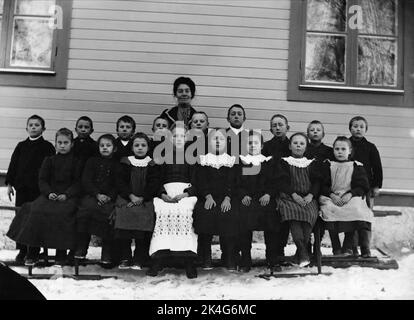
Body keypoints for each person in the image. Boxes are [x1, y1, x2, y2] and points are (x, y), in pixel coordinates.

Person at [7, 128, 81, 266]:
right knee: (35, 211)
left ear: (72, 144)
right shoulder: (49, 160)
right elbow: (42, 180)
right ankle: (33, 252)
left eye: (66, 142)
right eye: (60, 142)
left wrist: (67, 194)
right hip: (49, 196)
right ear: (55, 144)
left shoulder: (76, 162)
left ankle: (61, 253)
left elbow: (78, 183)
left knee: (63, 214)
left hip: (68, 198)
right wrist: (48, 193)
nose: (63, 145)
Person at [147, 125, 198, 279]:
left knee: (185, 211)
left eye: (182, 136)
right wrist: (162, 194)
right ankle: (159, 258)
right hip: (166, 193)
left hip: (185, 194)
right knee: (162, 210)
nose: (178, 139)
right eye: (175, 136)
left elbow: (198, 181)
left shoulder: (192, 157)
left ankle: (189, 261)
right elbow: (155, 179)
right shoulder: (163, 156)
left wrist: (186, 194)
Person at [5, 115, 55, 263]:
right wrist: (9, 184)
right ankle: (22, 250)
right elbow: (13, 165)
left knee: (34, 219)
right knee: (21, 218)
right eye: (31, 125)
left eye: (37, 125)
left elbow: (51, 168)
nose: (33, 127)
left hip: (38, 190)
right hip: (22, 189)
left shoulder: (47, 147)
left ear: (43, 129)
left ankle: (33, 250)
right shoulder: (21, 146)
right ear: (26, 128)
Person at [319, 136, 374, 257]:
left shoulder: (356, 166)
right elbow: (322, 184)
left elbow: (362, 186)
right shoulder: (328, 165)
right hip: (332, 196)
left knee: (356, 209)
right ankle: (336, 247)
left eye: (343, 149)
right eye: (337, 149)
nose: (340, 151)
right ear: (333, 150)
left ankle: (348, 246)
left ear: (350, 151)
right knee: (328, 209)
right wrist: (331, 194)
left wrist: (351, 194)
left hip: (350, 196)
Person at [114, 133, 160, 269]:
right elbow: (120, 182)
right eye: (137, 145)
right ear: (132, 147)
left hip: (145, 200)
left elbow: (154, 183)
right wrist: (130, 195)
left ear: (148, 147)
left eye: (143, 145)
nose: (140, 148)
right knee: (124, 220)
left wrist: (143, 197)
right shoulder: (125, 162)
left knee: (144, 223)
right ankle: (125, 257)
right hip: (127, 198)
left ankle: (140, 257)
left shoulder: (152, 164)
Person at [193, 129, 238, 271]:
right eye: (214, 139)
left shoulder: (231, 160)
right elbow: (200, 181)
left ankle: (229, 256)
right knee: (205, 213)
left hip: (226, 198)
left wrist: (228, 197)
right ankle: (205, 256)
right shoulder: (203, 160)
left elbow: (233, 182)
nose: (218, 141)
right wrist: (207, 196)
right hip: (207, 197)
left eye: (221, 139)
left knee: (229, 214)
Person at [237, 131, 281, 272]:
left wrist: (269, 194)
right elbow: (237, 183)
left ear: (261, 146)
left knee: (272, 219)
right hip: (248, 199)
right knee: (243, 220)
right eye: (249, 143)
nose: (252, 145)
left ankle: (272, 259)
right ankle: (246, 259)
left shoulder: (268, 162)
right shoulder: (242, 162)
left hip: (265, 199)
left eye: (255, 143)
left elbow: (274, 182)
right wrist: (243, 195)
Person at [277, 132, 322, 267]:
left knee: (309, 213)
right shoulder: (284, 162)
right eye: (295, 143)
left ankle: (300, 253)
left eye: (302, 144)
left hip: (307, 198)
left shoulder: (311, 163)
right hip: (289, 198)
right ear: (290, 146)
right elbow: (282, 182)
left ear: (306, 147)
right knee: (293, 214)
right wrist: (294, 195)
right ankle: (302, 250)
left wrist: (311, 195)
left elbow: (317, 182)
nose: (298, 146)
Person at [75, 134, 120, 265]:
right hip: (93, 195)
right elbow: (86, 180)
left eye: (108, 146)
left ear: (114, 148)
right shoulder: (91, 161)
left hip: (109, 199)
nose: (105, 148)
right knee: (85, 212)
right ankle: (81, 250)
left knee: (108, 217)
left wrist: (109, 196)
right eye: (102, 145)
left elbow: (118, 184)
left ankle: (106, 253)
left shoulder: (116, 165)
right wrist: (97, 194)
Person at [349, 116, 383, 255]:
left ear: (366, 130)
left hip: (366, 189)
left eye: (361, 127)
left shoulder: (370, 147)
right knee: (350, 217)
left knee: (365, 217)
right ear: (350, 128)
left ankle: (365, 247)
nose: (358, 129)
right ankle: (352, 247)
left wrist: (376, 186)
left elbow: (377, 168)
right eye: (355, 126)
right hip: (348, 188)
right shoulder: (345, 145)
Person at [304, 120, 335, 256]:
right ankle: (306, 245)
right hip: (306, 189)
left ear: (323, 134)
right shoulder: (304, 149)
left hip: (324, 190)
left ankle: (317, 245)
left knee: (321, 217)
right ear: (307, 134)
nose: (315, 132)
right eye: (312, 130)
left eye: (318, 130)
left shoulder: (329, 151)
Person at [262, 114, 291, 264]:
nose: (278, 128)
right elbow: (265, 172)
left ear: (288, 127)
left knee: (285, 217)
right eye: (274, 125)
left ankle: (280, 250)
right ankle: (270, 252)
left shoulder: (292, 146)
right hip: (271, 189)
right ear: (270, 129)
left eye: (281, 125)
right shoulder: (266, 147)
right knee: (271, 215)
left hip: (288, 189)